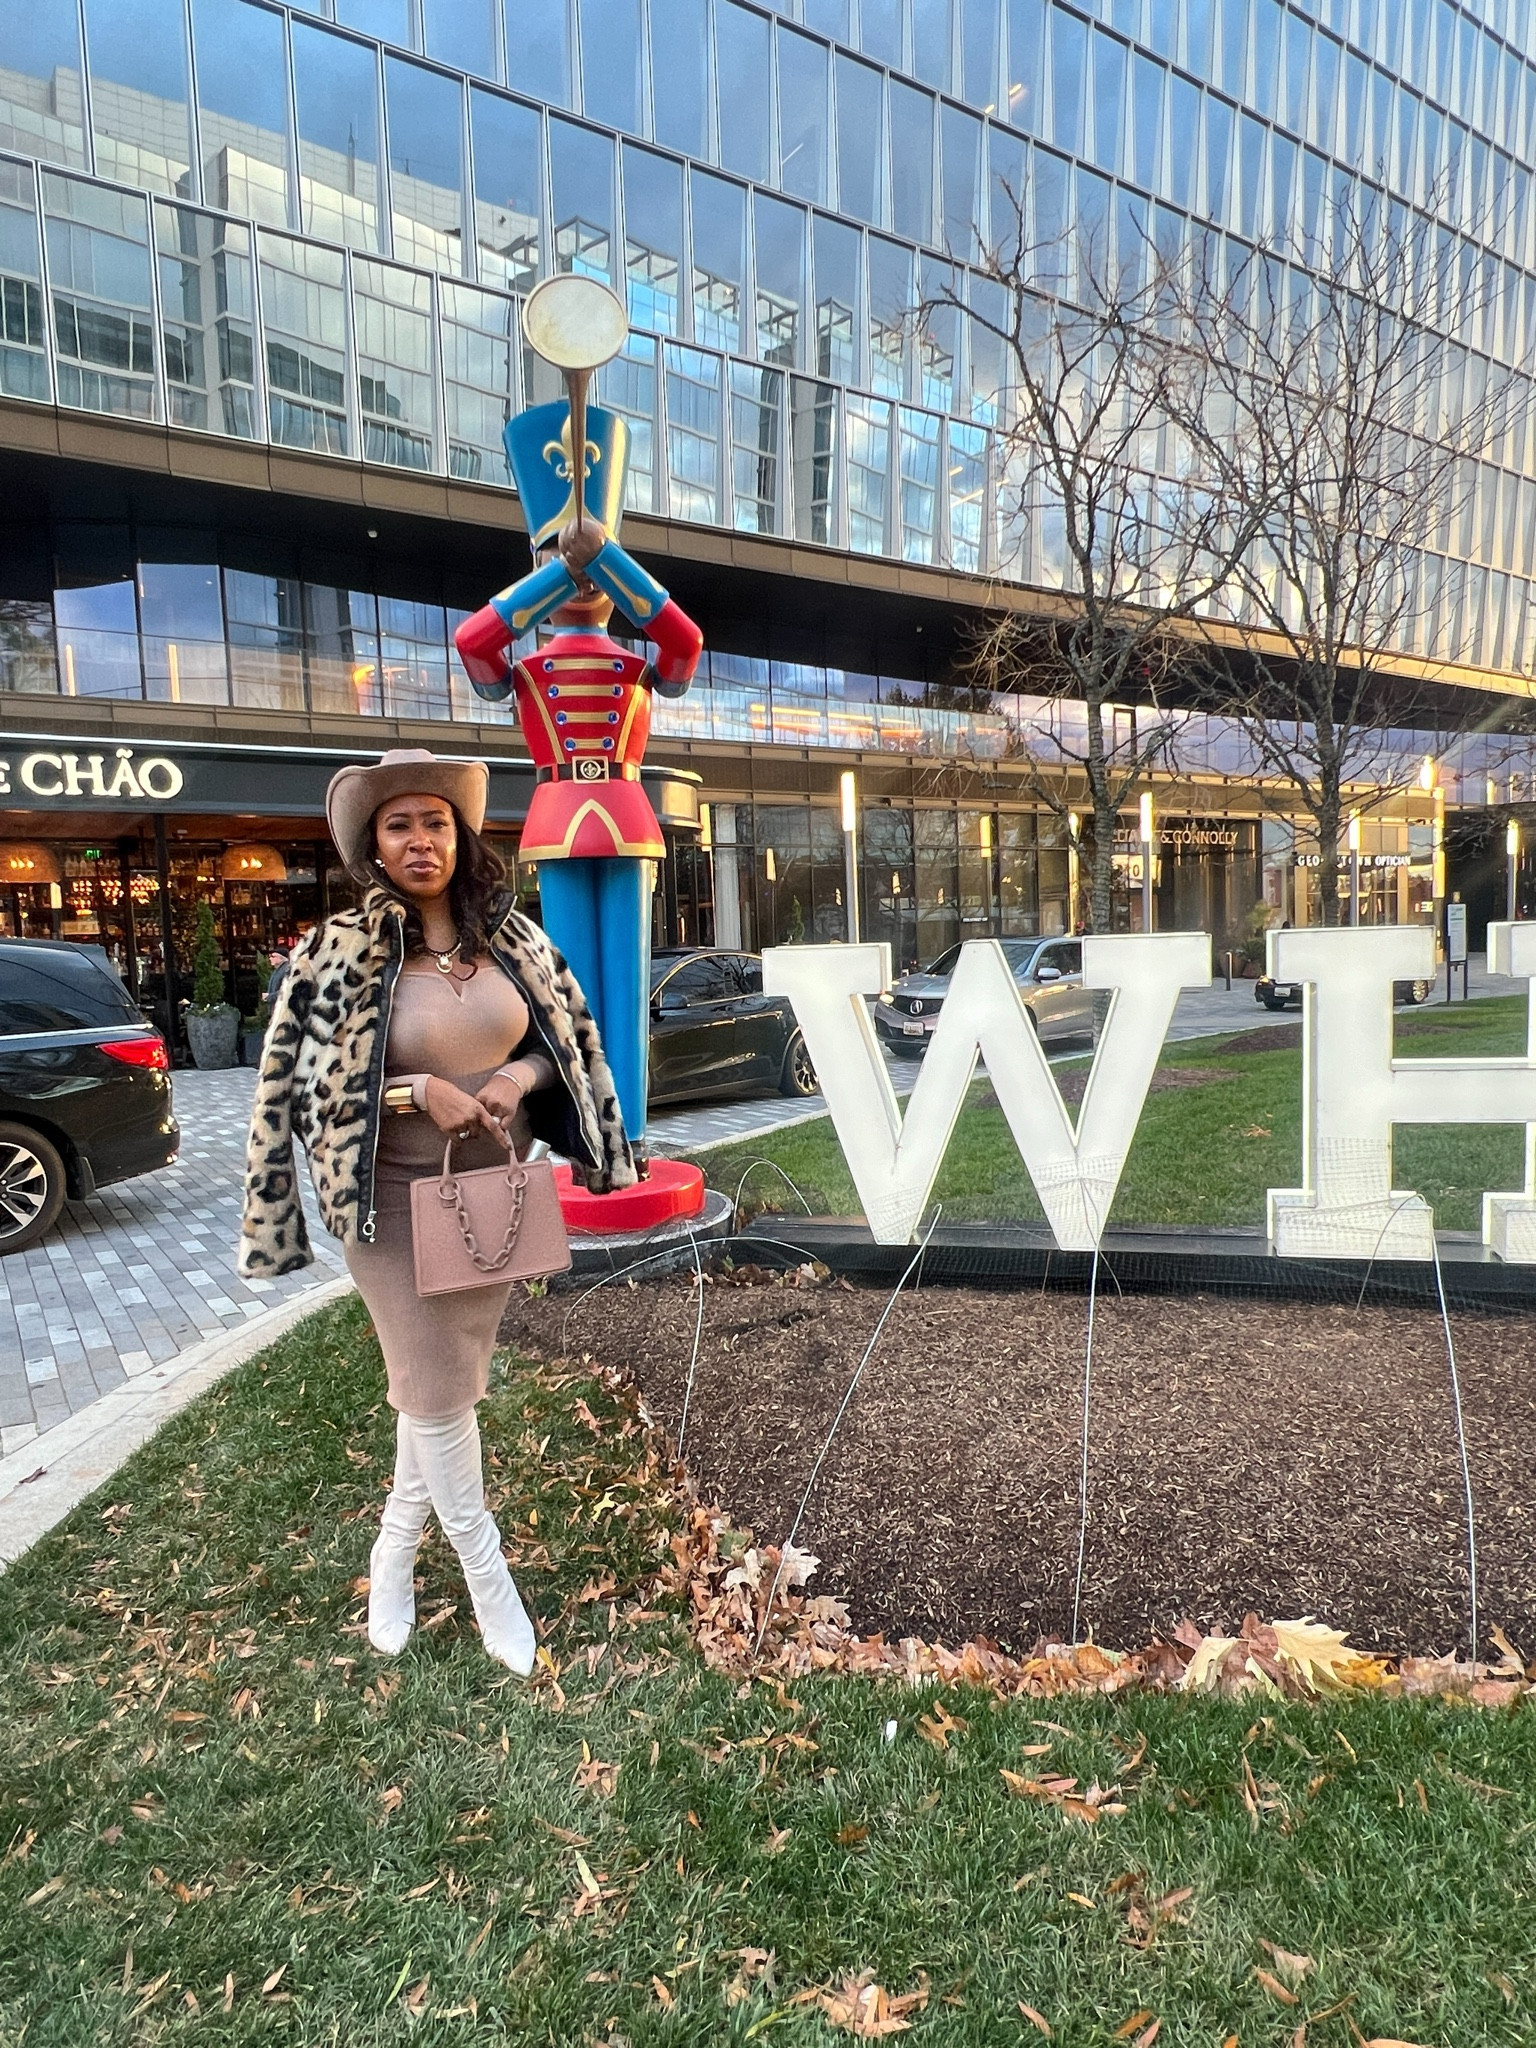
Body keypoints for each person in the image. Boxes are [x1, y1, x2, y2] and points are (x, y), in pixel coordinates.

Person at [238, 748, 635, 1673]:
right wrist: (417, 1092)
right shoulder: (331, 952)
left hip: (487, 1196)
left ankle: (391, 1556)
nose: (421, 841)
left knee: (434, 1393)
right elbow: (298, 1089)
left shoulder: (516, 940)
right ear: (373, 847)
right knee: (439, 1393)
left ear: (461, 837)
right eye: (399, 825)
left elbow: (565, 1042)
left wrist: (512, 1076)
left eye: (436, 822)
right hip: (385, 1204)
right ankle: (486, 1576)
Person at [454, 395, 702, 1145]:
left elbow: (684, 639)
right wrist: (560, 568)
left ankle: (629, 1138)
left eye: (591, 560)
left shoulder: (638, 660)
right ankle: (585, 1135)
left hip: (624, 818)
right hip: (559, 819)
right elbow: (473, 641)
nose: (586, 578)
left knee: (624, 986)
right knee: (566, 990)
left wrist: (609, 556)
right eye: (566, 557)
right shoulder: (525, 663)